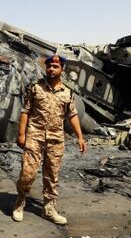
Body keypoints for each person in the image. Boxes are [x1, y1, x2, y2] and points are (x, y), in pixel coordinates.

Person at [12, 54, 86, 225]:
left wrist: (80, 138)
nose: (52, 69)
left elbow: (72, 115)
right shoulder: (36, 88)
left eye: (55, 66)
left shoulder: (67, 93)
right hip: (34, 136)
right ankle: (20, 201)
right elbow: (25, 111)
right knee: (27, 174)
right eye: (50, 66)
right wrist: (21, 134)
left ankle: (49, 209)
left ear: (62, 69)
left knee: (52, 176)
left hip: (56, 139)